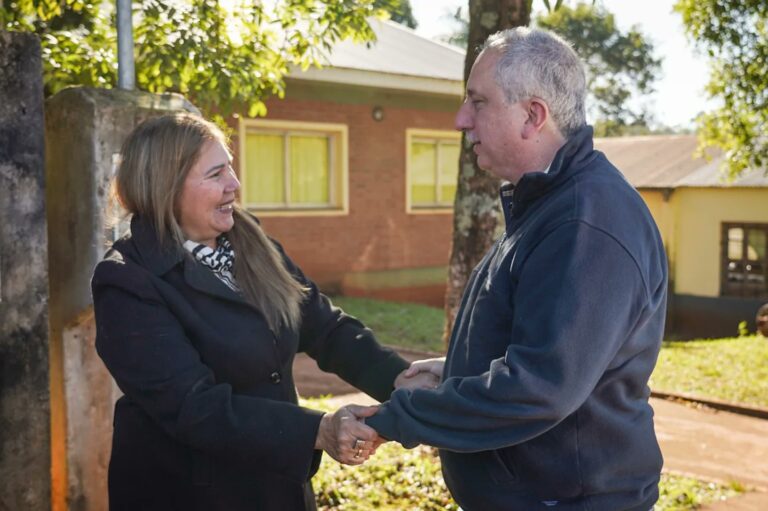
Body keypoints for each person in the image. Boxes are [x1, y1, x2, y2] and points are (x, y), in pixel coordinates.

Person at [365, 27, 668, 511]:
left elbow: (541, 388)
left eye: (478, 102)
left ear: (532, 115)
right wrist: (457, 370)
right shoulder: (549, 204)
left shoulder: (583, 221)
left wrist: (397, 418)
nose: (461, 120)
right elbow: (549, 342)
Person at [92, 113, 435, 510]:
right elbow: (193, 408)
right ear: (166, 187)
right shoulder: (127, 280)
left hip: (276, 487)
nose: (234, 184)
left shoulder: (248, 240)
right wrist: (318, 430)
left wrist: (397, 380)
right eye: (216, 174)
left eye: (230, 168)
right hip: (188, 493)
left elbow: (323, 327)